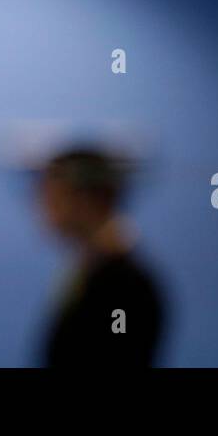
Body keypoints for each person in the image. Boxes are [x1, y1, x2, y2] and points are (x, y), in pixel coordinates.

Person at [37, 147, 164, 366]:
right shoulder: (88, 274)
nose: (42, 207)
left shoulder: (126, 287)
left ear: (87, 199)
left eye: (52, 194)